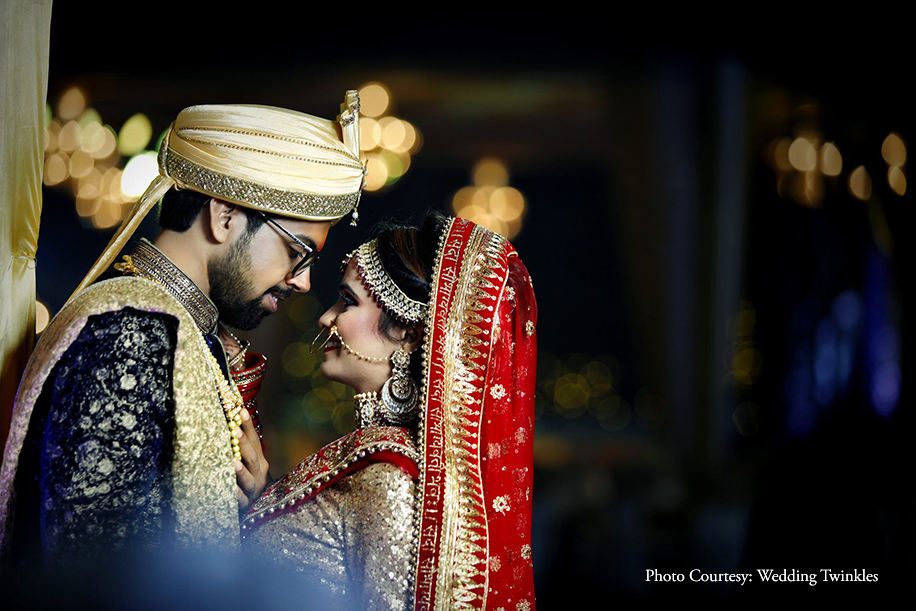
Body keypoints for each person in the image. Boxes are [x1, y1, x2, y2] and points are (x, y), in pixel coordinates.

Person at [0, 93, 366, 595]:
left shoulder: (180, 331)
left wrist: (239, 502)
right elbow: (91, 577)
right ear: (224, 217)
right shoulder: (128, 331)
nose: (302, 282)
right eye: (296, 252)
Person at [242, 213, 538, 611]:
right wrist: (265, 492)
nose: (326, 317)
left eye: (348, 301)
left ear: (409, 336)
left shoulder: (389, 479)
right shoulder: (374, 461)